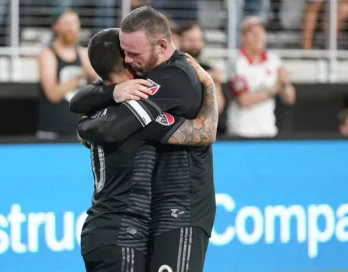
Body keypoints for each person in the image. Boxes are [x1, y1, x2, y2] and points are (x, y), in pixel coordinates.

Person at [70, 6, 216, 271]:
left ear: (161, 45)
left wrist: (84, 127)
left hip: (182, 209)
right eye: (124, 53)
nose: (127, 59)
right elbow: (79, 100)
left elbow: (109, 128)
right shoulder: (136, 82)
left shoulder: (175, 77)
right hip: (147, 217)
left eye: (134, 54)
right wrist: (112, 93)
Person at [227, 16, 296, 138]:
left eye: (262, 32)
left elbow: (289, 99)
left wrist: (285, 83)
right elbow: (244, 100)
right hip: (241, 132)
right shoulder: (237, 62)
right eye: (253, 33)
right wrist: (275, 89)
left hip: (268, 131)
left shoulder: (273, 60)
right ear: (243, 37)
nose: (259, 37)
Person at [37, 8, 97, 140]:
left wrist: (92, 76)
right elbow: (52, 94)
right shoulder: (48, 54)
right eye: (66, 24)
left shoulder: (83, 54)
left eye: (74, 23)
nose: (71, 28)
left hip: (79, 132)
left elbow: (100, 87)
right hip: (53, 132)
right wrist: (74, 82)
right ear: (56, 27)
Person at [179, 22, 225, 114]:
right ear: (179, 40)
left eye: (198, 39)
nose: (194, 44)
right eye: (189, 39)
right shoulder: (172, 68)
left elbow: (218, 107)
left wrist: (213, 81)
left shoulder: (209, 69)